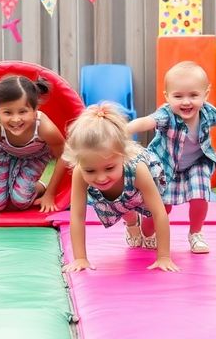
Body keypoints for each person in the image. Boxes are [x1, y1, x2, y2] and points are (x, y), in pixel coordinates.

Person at [126, 61, 216, 254]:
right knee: (163, 208)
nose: (186, 102)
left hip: (196, 164)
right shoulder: (166, 114)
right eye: (178, 96)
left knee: (200, 195)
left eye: (193, 95)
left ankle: (195, 234)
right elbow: (146, 122)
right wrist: (124, 129)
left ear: (205, 94)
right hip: (165, 167)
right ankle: (147, 231)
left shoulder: (207, 112)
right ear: (167, 96)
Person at [62, 103, 178, 273]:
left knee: (151, 215)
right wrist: (80, 258)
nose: (101, 177)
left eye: (109, 168)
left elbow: (159, 212)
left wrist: (164, 257)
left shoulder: (138, 170)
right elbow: (77, 216)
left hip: (140, 187)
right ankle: (131, 222)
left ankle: (142, 226)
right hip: (117, 195)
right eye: (91, 170)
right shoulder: (80, 171)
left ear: (122, 156)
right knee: (121, 205)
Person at [0, 75, 68, 223]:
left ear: (35, 109)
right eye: (7, 112)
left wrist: (50, 193)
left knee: (20, 200)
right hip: (5, 154)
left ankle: (39, 187)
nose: (15, 119)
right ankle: (12, 176)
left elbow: (64, 155)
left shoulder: (45, 128)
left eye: (23, 111)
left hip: (36, 156)